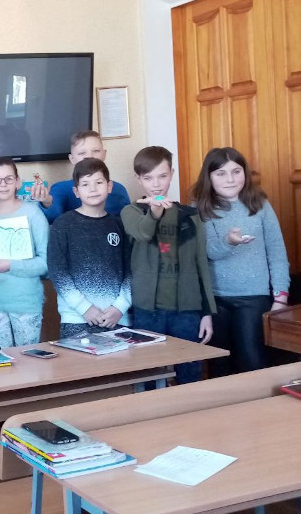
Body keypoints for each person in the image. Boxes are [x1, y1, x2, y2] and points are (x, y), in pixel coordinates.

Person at [190, 147, 290, 376]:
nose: (230, 179)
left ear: (245, 173)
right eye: (221, 173)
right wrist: (229, 241)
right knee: (219, 366)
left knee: (252, 363)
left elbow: (277, 254)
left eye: (236, 171)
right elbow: (208, 252)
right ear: (209, 177)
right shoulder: (200, 207)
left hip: (254, 298)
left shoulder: (260, 204)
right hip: (216, 299)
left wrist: (280, 299)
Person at [121, 146, 216, 384]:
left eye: (162, 176)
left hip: (187, 310)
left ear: (172, 174)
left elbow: (201, 264)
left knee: (189, 375)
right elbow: (143, 233)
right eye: (148, 178)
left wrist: (206, 313)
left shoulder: (190, 215)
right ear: (138, 179)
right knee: (148, 376)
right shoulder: (131, 211)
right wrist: (153, 212)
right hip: (147, 309)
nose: (156, 184)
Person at [0, 158, 49, 349]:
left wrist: (11, 265)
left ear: (17, 182)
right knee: (2, 360)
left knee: (27, 360)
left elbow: (45, 263)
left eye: (8, 179)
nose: (2, 184)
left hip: (26, 303)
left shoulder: (33, 214)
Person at [47, 158, 132, 338]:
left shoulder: (120, 225)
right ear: (76, 192)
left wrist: (120, 307)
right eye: (85, 184)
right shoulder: (63, 225)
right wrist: (84, 308)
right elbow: (58, 272)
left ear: (109, 186)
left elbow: (131, 270)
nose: (93, 189)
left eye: (98, 182)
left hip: (116, 318)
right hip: (76, 319)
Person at [31, 130, 131, 223]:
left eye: (96, 151)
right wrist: (47, 202)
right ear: (72, 158)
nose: (89, 156)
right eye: (82, 153)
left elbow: (127, 225)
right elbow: (51, 220)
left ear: (104, 154)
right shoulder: (60, 189)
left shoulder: (119, 189)